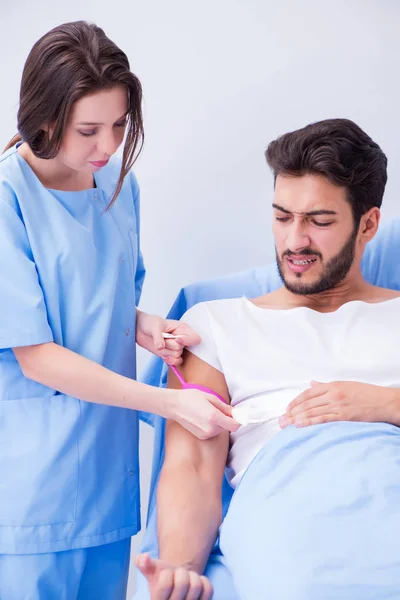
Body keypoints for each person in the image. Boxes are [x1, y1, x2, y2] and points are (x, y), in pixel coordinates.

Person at [0, 21, 238, 600]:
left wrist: (145, 327)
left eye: (119, 126)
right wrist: (168, 404)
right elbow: (35, 352)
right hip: (32, 488)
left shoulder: (116, 186)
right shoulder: (8, 199)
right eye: (89, 130)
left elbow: (98, 299)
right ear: (45, 117)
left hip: (106, 477)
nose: (107, 147)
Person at [137, 118, 400, 600]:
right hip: (290, 517)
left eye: (319, 222)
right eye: (282, 217)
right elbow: (192, 466)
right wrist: (179, 569)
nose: (295, 241)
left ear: (368, 224)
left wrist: (387, 405)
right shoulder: (215, 324)